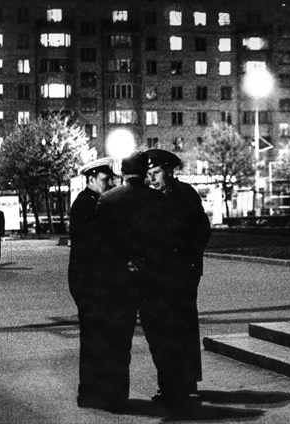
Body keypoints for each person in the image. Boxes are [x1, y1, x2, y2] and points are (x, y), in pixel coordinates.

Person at [79, 152, 179, 411]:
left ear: (123, 173)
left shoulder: (108, 199)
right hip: (152, 280)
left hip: (119, 282)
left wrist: (123, 263)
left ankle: (116, 396)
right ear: (144, 173)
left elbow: (99, 242)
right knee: (160, 338)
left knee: (118, 341)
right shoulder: (160, 200)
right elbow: (168, 241)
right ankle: (171, 391)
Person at [146, 149, 212, 401]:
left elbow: (201, 230)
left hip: (183, 273)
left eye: (156, 173)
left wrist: (187, 256)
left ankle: (186, 381)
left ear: (169, 171)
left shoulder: (186, 194)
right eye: (149, 174)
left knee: (183, 327)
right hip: (159, 275)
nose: (152, 178)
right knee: (164, 330)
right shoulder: (150, 198)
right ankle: (170, 383)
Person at [67, 157, 116, 407]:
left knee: (95, 336)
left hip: (88, 280)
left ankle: (92, 390)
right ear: (91, 180)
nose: (109, 184)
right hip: (89, 282)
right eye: (105, 180)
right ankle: (89, 392)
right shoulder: (87, 204)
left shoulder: (91, 201)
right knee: (93, 338)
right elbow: (92, 242)